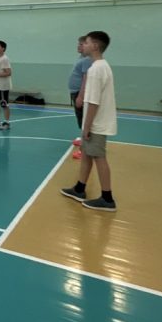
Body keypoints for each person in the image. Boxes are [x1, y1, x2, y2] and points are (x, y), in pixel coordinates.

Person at [61, 31, 118, 211]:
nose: (82, 46)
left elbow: (93, 102)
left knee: (99, 157)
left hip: (96, 123)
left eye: (86, 43)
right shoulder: (102, 65)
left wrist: (86, 127)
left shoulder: (95, 70)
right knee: (86, 153)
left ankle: (107, 198)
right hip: (95, 121)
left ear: (95, 46)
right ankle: (80, 188)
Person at [67, 35, 93, 160]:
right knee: (80, 119)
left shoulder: (87, 60)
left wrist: (80, 96)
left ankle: (86, 149)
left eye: (81, 44)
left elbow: (86, 78)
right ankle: (83, 140)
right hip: (75, 92)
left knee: (84, 119)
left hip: (79, 93)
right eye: (79, 44)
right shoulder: (82, 58)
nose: (78, 46)